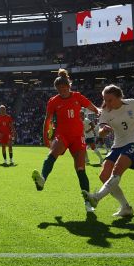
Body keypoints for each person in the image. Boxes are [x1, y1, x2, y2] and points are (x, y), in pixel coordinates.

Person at [83, 84, 134, 218]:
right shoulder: (105, 112)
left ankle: (96, 197)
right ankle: (125, 207)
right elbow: (101, 132)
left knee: (116, 170)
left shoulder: (132, 103)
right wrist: (103, 131)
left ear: (119, 97)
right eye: (105, 99)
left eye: (110, 100)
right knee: (104, 175)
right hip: (118, 145)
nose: (106, 103)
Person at [32, 69, 100, 213]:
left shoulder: (78, 97)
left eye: (64, 88)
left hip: (77, 137)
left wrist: (99, 111)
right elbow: (47, 119)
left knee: (80, 169)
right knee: (52, 154)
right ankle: (42, 179)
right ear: (56, 89)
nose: (62, 91)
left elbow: (93, 108)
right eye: (59, 89)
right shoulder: (53, 101)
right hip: (62, 135)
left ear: (69, 86)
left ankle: (87, 202)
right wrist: (45, 137)